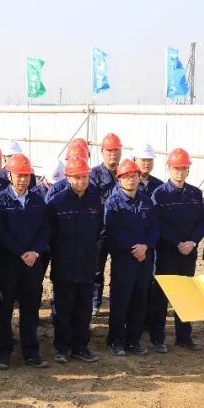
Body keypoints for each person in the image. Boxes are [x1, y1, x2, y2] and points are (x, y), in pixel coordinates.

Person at [0, 153, 50, 369]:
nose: (23, 179)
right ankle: (4, 352)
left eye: (26, 175)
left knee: (30, 308)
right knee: (4, 309)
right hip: (8, 264)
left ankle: (31, 352)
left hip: (32, 264)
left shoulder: (37, 200)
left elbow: (46, 229)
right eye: (18, 175)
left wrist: (35, 251)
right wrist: (21, 252)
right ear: (9, 175)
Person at [149, 147, 204, 351]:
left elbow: (202, 222)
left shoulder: (195, 193)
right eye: (176, 168)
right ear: (169, 169)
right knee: (161, 295)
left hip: (188, 253)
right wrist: (177, 243)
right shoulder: (159, 194)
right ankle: (157, 338)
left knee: (186, 294)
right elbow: (157, 224)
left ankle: (184, 336)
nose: (180, 172)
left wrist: (193, 242)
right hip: (166, 253)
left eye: (183, 168)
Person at [46, 157, 101, 363]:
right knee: (63, 309)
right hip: (64, 264)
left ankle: (81, 347)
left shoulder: (94, 201)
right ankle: (62, 348)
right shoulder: (57, 202)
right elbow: (49, 234)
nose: (82, 181)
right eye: (77, 177)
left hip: (87, 263)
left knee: (84, 308)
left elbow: (100, 230)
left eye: (84, 177)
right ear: (68, 178)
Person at [104, 160, 159, 356]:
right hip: (124, 259)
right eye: (126, 177)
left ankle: (133, 340)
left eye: (134, 176)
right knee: (121, 300)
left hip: (144, 259)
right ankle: (116, 340)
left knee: (139, 299)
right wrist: (132, 248)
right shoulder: (113, 203)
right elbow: (112, 230)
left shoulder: (146, 201)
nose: (131, 180)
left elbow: (154, 228)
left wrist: (146, 246)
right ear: (119, 179)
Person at [88, 133, 124, 313]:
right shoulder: (94, 174)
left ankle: (118, 302)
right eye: (109, 150)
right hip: (100, 230)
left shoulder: (126, 172)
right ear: (102, 151)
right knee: (96, 268)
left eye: (116, 150)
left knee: (121, 268)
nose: (113, 154)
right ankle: (95, 302)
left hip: (121, 230)